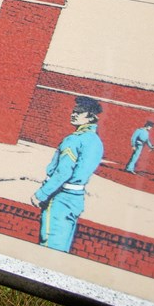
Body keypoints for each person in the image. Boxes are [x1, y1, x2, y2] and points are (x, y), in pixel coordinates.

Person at [32, 96, 105, 253]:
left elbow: (63, 172)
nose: (74, 114)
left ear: (91, 117)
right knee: (62, 248)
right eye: (74, 111)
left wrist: (41, 194)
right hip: (76, 199)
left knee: (49, 248)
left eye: (79, 112)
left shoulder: (74, 140)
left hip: (61, 197)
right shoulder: (96, 141)